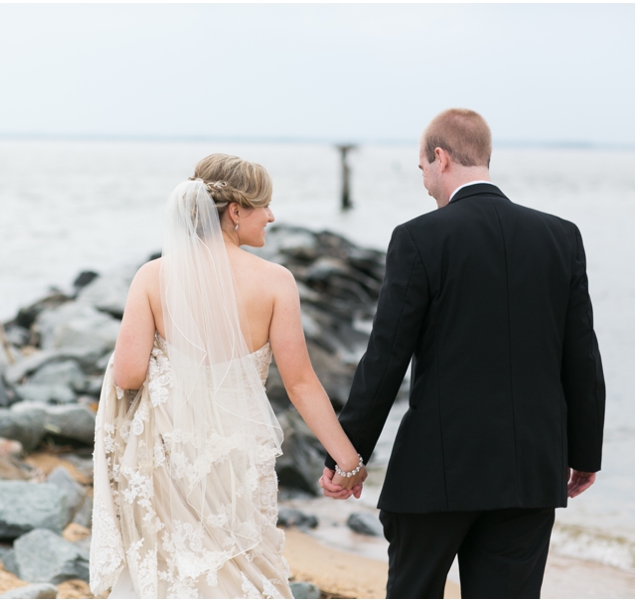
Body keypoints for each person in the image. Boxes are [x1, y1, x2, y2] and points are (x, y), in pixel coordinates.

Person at [320, 108, 606, 598]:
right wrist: (584, 451)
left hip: (437, 475)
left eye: (423, 170)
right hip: (528, 475)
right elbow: (581, 355)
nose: (426, 183)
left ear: (440, 158)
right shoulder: (561, 237)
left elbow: (385, 359)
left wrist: (348, 457)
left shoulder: (418, 238)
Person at [90, 154, 366, 599]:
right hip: (237, 452)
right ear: (235, 212)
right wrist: (348, 462)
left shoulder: (153, 276)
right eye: (264, 206)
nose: (272, 216)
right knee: (241, 571)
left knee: (170, 572)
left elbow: (127, 374)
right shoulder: (276, 283)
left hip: (166, 450)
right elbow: (300, 384)